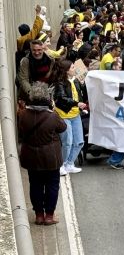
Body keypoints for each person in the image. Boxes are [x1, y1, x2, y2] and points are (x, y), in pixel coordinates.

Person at [18, 82, 67, 226]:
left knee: (35, 185)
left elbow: (21, 131)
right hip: (51, 158)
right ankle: (49, 216)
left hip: (31, 157)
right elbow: (63, 127)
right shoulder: (52, 116)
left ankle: (39, 215)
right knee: (52, 185)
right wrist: (53, 108)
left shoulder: (23, 115)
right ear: (47, 98)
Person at [50, 59, 86, 176]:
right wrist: (77, 103)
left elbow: (84, 90)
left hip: (76, 115)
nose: (74, 69)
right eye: (72, 67)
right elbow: (61, 98)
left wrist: (83, 84)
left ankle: (69, 164)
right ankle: (61, 164)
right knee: (67, 142)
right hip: (64, 115)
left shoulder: (75, 80)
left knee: (79, 142)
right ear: (66, 71)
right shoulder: (60, 83)